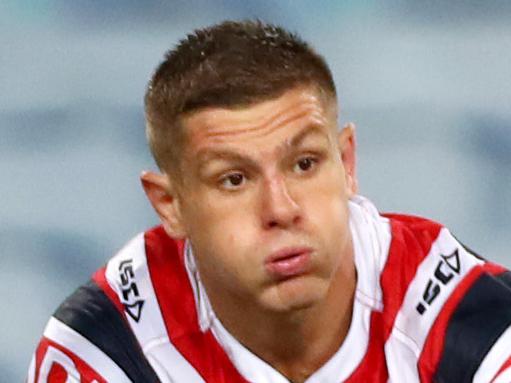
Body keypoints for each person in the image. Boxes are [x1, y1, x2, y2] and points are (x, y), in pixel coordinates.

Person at [28, 20, 511, 383]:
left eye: (304, 164)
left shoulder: (473, 328)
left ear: (346, 163)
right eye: (234, 179)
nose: (281, 210)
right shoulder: (108, 351)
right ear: (170, 204)